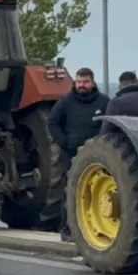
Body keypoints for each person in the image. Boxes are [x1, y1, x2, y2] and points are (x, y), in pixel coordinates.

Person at [47, 67, 110, 242]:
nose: (82, 85)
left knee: (96, 191)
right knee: (70, 190)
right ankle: (67, 229)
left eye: (85, 82)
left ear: (92, 82)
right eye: (79, 82)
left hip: (98, 156)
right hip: (71, 154)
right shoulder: (65, 102)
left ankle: (94, 229)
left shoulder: (104, 102)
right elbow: (52, 122)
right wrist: (64, 143)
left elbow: (110, 124)